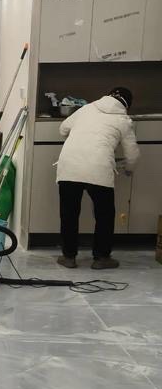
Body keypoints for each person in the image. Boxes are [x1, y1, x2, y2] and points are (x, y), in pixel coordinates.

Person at [56, 86, 139, 270]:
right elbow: (132, 155)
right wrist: (128, 169)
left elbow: (62, 129)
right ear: (127, 105)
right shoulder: (123, 120)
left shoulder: (86, 108)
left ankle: (69, 257)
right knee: (104, 215)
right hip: (99, 169)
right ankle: (102, 258)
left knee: (69, 213)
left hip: (69, 166)